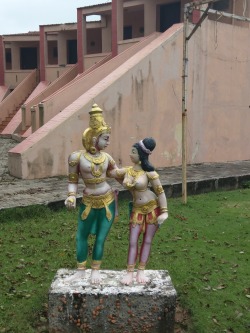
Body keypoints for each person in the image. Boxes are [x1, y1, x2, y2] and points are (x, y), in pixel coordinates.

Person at [64, 104, 119, 284]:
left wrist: (136, 174)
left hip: (107, 201)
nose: (108, 142)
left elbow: (116, 174)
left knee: (101, 238)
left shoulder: (107, 158)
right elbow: (73, 180)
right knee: (81, 235)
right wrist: (71, 195)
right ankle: (80, 270)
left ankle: (95, 268)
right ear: (95, 138)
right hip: (88, 201)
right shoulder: (77, 157)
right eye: (106, 139)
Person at [110, 137, 168, 285]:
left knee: (147, 240)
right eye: (131, 151)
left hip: (152, 208)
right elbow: (113, 172)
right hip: (136, 209)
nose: (130, 154)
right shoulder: (128, 171)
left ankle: (140, 270)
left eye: (133, 152)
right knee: (132, 240)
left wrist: (165, 212)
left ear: (141, 154)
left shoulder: (149, 173)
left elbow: (160, 192)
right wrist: (104, 160)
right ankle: (130, 272)